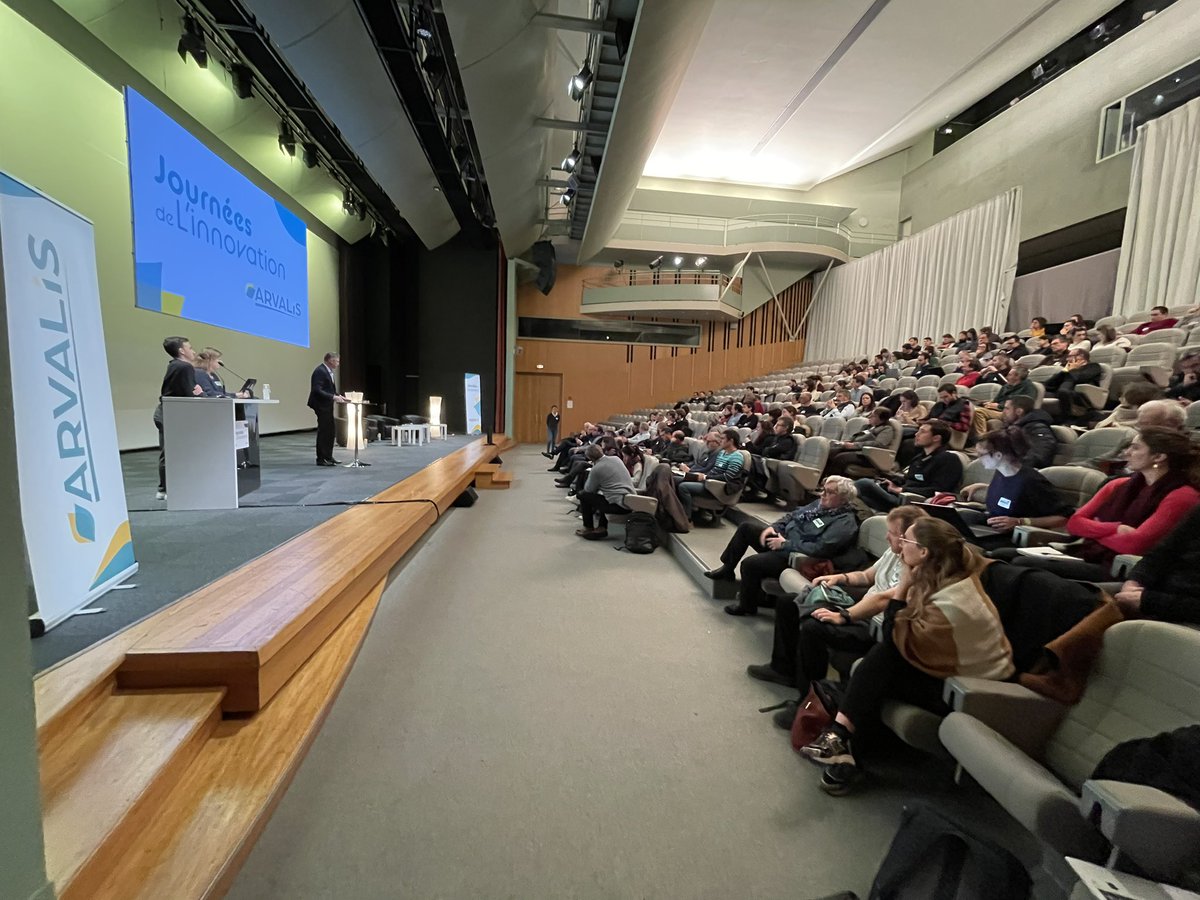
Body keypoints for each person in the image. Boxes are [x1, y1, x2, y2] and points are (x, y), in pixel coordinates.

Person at [800, 518, 1013, 795]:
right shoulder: (941, 575)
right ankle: (842, 745)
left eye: (907, 542)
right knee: (875, 666)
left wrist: (902, 587)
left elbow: (895, 635)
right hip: (949, 670)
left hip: (972, 690)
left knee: (879, 664)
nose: (900, 548)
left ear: (924, 552)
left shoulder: (952, 599)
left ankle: (844, 747)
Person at [747, 506, 929, 715]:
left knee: (813, 628)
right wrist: (839, 578)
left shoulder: (917, 568)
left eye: (893, 533)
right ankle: (783, 669)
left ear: (908, 538)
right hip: (861, 608)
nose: (887, 537)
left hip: (875, 625)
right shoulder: (893, 551)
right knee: (789, 603)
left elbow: (883, 599)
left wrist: (844, 615)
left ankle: (807, 702)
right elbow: (868, 576)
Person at [1014, 427, 1200, 581]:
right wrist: (1116, 528)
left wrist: (1095, 531)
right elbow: (1074, 523)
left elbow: (1135, 545)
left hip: (1123, 568)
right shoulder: (1118, 484)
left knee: (1020, 563)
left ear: (1158, 457)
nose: (1127, 453)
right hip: (1092, 553)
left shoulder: (1183, 496)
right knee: (1007, 555)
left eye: (1135, 448)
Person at [705, 477, 860, 617]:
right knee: (746, 528)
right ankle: (727, 568)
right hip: (783, 541)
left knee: (750, 564)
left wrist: (785, 544)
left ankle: (747, 606)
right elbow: (792, 515)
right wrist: (775, 527)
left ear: (843, 498)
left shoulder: (844, 522)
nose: (822, 494)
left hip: (797, 557)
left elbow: (819, 549)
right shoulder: (819, 505)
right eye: (823, 489)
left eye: (829, 492)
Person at [956, 427, 1072, 549]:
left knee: (960, 543)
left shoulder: (1032, 481)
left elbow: (1064, 517)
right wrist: (982, 486)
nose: (978, 458)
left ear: (998, 455)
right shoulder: (1001, 472)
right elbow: (1010, 491)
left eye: (981, 454)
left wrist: (1020, 522)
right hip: (993, 527)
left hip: (1014, 537)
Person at [853, 420, 963, 511]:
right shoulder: (920, 457)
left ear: (936, 438)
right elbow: (908, 478)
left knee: (863, 484)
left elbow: (939, 490)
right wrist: (892, 482)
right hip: (899, 496)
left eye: (923, 432)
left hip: (914, 503)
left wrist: (901, 490)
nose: (916, 434)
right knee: (859, 491)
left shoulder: (949, 459)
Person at [153, 336, 203, 500]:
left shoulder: (174, 366)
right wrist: (198, 393)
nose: (193, 350)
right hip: (173, 414)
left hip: (166, 412)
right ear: (181, 350)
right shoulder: (185, 367)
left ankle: (164, 489)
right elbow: (189, 393)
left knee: (167, 452)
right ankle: (170, 488)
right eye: (190, 347)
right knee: (173, 452)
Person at [675, 428, 744, 520]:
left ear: (731, 441)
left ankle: (686, 517)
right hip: (707, 480)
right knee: (675, 479)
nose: (720, 441)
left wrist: (705, 476)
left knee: (683, 487)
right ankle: (675, 511)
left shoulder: (737, 457)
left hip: (716, 487)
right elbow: (714, 470)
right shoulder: (722, 453)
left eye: (723, 439)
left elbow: (727, 477)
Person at [575, 444, 635, 540]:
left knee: (583, 495)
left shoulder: (596, 469)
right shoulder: (616, 459)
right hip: (630, 501)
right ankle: (601, 527)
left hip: (618, 505)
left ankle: (588, 527)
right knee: (604, 495)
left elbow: (588, 489)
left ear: (590, 458)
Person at [824, 409, 897, 477]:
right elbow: (856, 437)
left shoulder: (887, 429)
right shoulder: (867, 427)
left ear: (882, 419)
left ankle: (834, 482)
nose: (870, 417)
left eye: (874, 416)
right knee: (830, 451)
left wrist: (855, 445)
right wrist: (848, 442)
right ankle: (821, 480)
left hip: (868, 455)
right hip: (854, 449)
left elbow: (878, 444)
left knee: (840, 458)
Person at [971, 364, 1037, 435]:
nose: (1007, 377)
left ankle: (983, 439)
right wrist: (990, 404)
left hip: (1010, 412)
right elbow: (996, 400)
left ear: (1017, 376)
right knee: (970, 409)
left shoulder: (1029, 387)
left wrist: (999, 406)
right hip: (998, 410)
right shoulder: (1006, 386)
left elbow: (1025, 405)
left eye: (1010, 375)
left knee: (979, 412)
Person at [308, 352, 346, 466]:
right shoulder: (320, 371)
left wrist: (338, 396)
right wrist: (333, 397)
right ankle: (321, 458)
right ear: (330, 360)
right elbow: (317, 389)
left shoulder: (328, 372)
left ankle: (328, 456)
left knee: (330, 431)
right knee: (324, 431)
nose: (338, 364)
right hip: (321, 405)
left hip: (327, 405)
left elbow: (329, 389)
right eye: (337, 361)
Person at [1001, 395, 1057, 468]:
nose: (1003, 412)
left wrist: (1015, 466)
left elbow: (1040, 455)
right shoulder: (1013, 426)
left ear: (1019, 411)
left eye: (1007, 409)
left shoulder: (1037, 427)